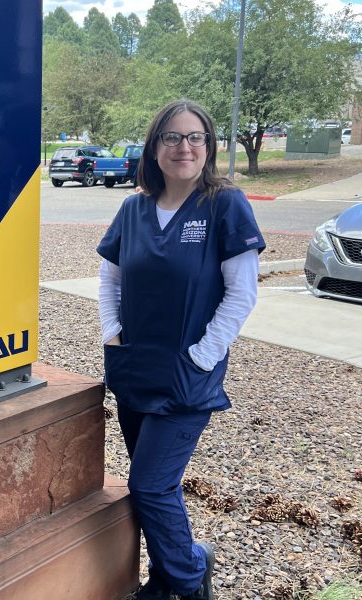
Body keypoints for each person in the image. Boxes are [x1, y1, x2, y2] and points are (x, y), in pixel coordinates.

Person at [96, 100, 266, 600]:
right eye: (172, 137)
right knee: (156, 488)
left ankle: (189, 583)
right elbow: (111, 279)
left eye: (195, 137)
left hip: (187, 379)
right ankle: (171, 575)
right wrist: (112, 333)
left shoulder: (224, 205)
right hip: (134, 369)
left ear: (209, 146)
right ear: (155, 147)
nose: (184, 147)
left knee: (149, 485)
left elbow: (242, 294)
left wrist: (202, 355)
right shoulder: (133, 208)